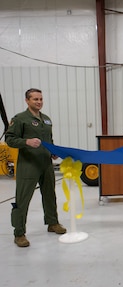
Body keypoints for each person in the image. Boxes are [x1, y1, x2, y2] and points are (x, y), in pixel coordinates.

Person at [5, 88, 66, 248]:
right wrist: (26, 142)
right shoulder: (20, 119)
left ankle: (52, 223)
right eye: (35, 99)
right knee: (23, 198)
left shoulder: (46, 120)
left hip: (45, 163)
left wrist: (52, 151)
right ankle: (19, 233)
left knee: (49, 194)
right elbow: (10, 139)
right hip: (28, 164)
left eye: (40, 99)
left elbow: (49, 139)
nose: (39, 102)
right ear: (27, 101)